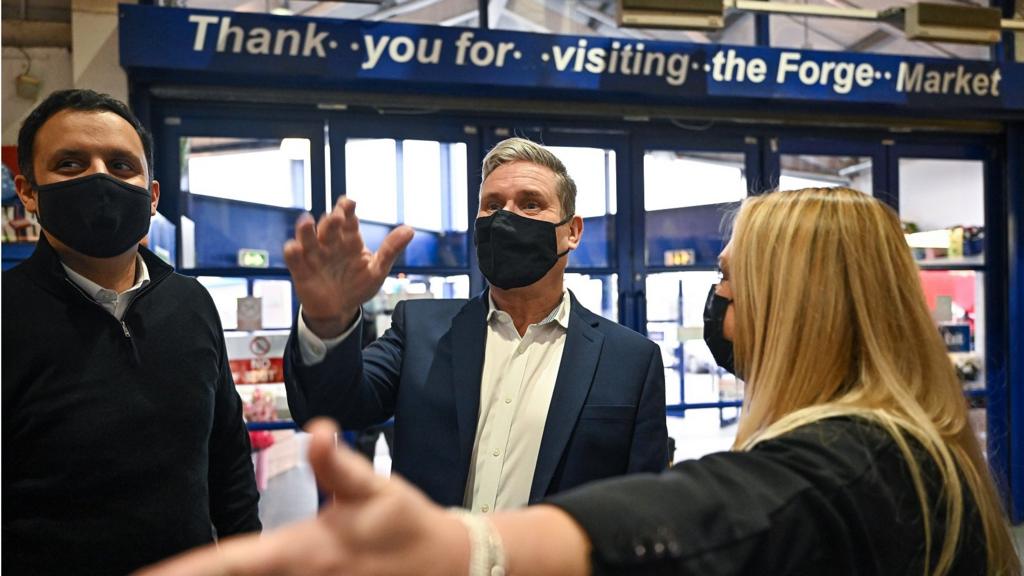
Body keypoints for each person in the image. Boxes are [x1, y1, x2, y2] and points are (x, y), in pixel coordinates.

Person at [139, 187, 1020, 576]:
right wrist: (329, 323)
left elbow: (707, 510)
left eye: (729, 281)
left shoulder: (856, 457)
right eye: (488, 206)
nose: (718, 302)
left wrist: (471, 551)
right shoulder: (916, 448)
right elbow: (338, 405)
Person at [283, 137, 668, 510]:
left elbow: (642, 511)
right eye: (492, 205)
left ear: (572, 231)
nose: (506, 218)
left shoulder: (630, 360)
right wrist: (327, 321)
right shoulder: (421, 331)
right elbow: (329, 409)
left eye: (531, 204)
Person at [2, 89, 261, 575]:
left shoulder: (192, 304)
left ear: (152, 194)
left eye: (121, 166)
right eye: (71, 164)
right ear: (28, 191)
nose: (99, 177)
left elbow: (227, 459)